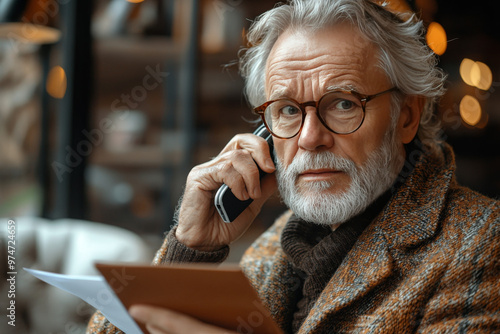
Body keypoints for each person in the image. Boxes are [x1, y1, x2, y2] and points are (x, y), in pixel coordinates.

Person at [87, 0, 500, 333]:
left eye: (342, 104)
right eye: (286, 110)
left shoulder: (481, 239)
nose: (308, 138)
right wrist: (189, 250)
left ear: (406, 116)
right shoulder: (280, 242)